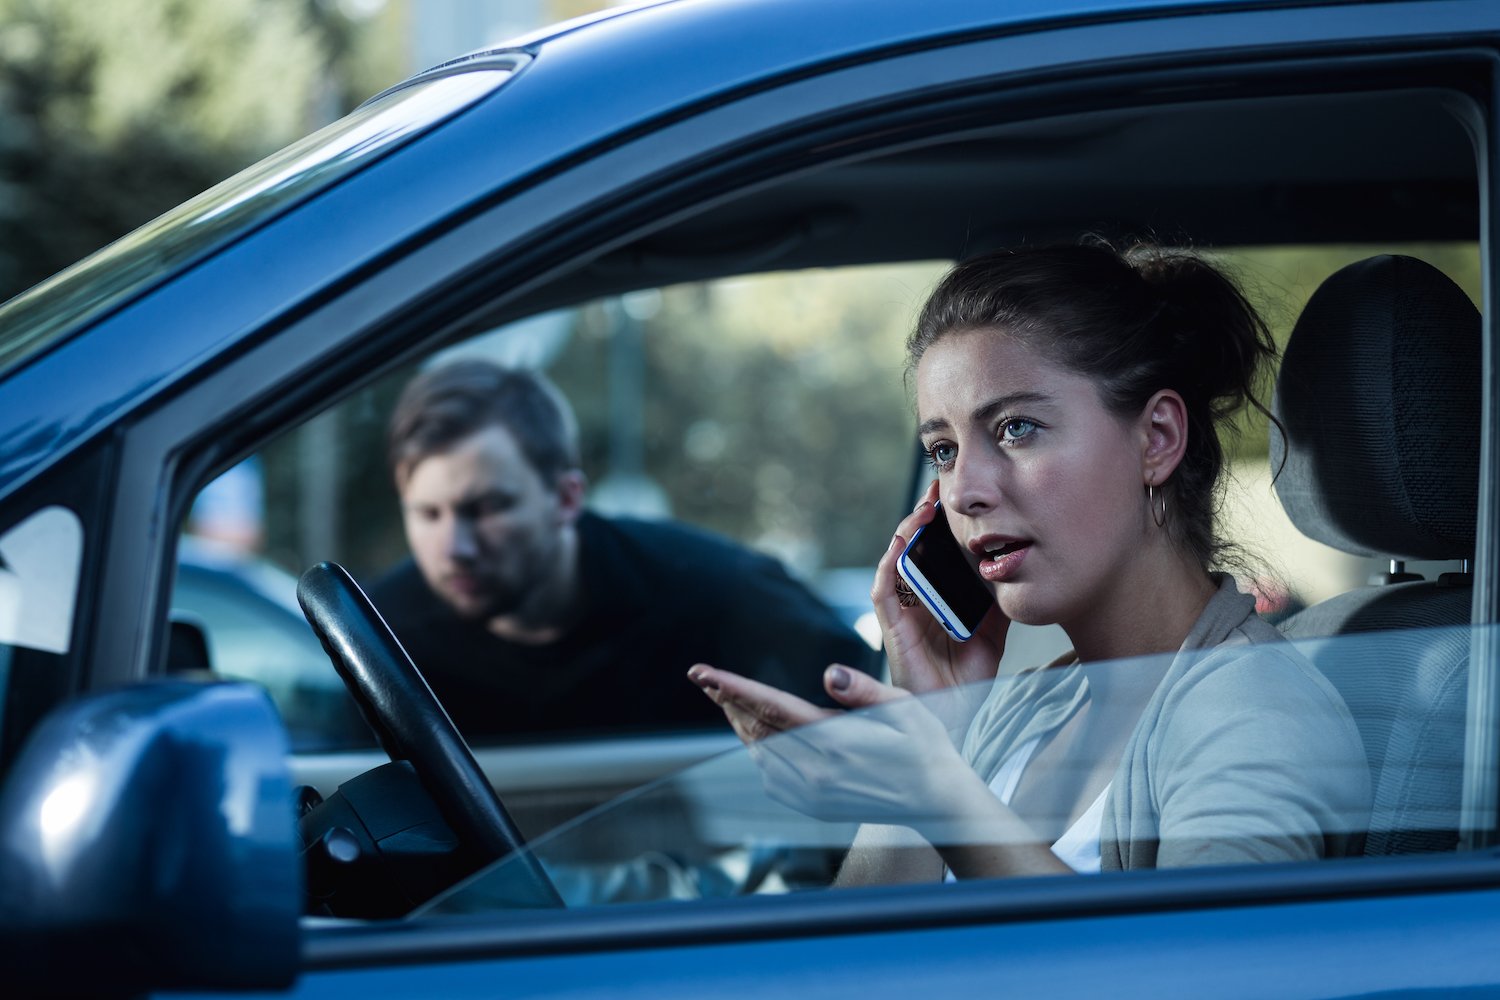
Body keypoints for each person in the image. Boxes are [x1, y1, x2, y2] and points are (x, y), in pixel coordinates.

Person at [689, 242, 1370, 881]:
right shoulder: (1025, 708)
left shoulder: (1255, 713)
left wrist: (935, 798)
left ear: (1157, 439)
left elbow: (1205, 957)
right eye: (944, 450)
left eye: (1016, 428)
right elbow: (860, 957)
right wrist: (934, 729)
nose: (964, 491)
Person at [366, 360, 873, 741]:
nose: (455, 547)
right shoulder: (380, 636)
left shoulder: (716, 592)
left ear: (566, 499)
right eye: (427, 513)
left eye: (487, 508)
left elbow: (877, 718)